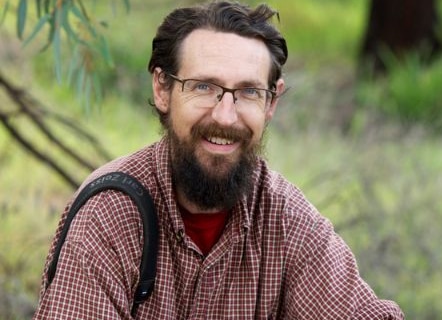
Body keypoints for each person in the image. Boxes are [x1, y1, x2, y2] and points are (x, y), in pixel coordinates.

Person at [33, 1, 404, 319]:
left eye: (247, 92)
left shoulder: (286, 223)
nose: (226, 116)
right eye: (204, 87)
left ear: (271, 102)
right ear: (162, 89)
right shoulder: (110, 217)